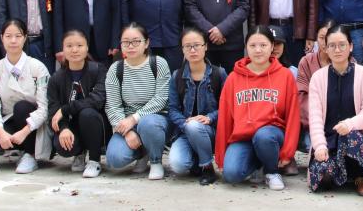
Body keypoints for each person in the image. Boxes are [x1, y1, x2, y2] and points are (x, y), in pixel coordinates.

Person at [215, 26, 301, 191]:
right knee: (231, 174)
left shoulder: (285, 75)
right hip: (243, 137)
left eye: (263, 45)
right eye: (253, 45)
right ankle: (259, 162)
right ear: (246, 48)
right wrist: (221, 155)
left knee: (264, 136)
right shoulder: (233, 78)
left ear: (271, 46)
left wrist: (288, 152)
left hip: (271, 134)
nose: (258, 50)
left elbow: (293, 116)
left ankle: (271, 171)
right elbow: (225, 117)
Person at [307, 24, 363, 196]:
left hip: (356, 138)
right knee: (322, 178)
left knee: (351, 138)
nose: (337, 50)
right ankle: (339, 170)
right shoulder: (318, 78)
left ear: (351, 46)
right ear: (325, 48)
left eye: (342, 45)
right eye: (332, 45)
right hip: (329, 139)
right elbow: (315, 117)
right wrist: (319, 145)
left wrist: (350, 124)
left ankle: (359, 176)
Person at [104, 22, 172, 180]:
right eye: (126, 42)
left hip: (156, 120)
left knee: (148, 124)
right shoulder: (116, 69)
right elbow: (112, 106)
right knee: (115, 158)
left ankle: (155, 161)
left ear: (146, 43)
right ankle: (143, 152)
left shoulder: (158, 64)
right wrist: (127, 131)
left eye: (136, 41)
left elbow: (161, 99)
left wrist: (134, 118)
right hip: (127, 123)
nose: (130, 46)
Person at [0, 18, 52, 174]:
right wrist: (0, 132)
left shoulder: (37, 67)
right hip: (11, 119)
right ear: (1, 38)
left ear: (25, 38)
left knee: (21, 107)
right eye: (8, 36)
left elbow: (44, 108)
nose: (13, 41)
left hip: (36, 124)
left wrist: (24, 132)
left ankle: (30, 154)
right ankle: (21, 149)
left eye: (18, 36)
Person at [167, 27, 227, 185]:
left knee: (194, 126)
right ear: (182, 49)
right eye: (187, 46)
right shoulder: (177, 76)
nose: (192, 50)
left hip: (211, 131)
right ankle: (197, 160)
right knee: (178, 165)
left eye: (197, 45)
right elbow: (172, 109)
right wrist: (184, 123)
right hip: (185, 131)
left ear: (205, 46)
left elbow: (227, 106)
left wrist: (210, 117)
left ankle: (207, 167)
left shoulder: (219, 74)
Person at [47, 29, 109, 179]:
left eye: (79, 45)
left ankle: (94, 160)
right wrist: (63, 128)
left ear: (87, 47)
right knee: (64, 147)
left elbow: (97, 100)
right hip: (71, 125)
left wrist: (66, 109)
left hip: (96, 124)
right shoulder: (56, 78)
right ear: (63, 49)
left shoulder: (98, 70)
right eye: (69, 46)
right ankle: (79, 152)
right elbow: (53, 110)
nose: (74, 50)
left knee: (87, 113)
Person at [296, 18, 336, 167]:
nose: (325, 42)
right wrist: (317, 123)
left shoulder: (350, 62)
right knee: (311, 145)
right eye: (322, 37)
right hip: (313, 122)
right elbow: (302, 99)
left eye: (330, 38)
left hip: (339, 123)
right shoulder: (306, 62)